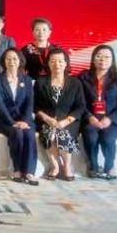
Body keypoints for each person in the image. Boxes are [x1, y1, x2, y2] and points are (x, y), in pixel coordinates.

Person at [79, 44, 117, 181]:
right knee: (91, 135)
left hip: (112, 121)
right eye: (99, 56)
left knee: (108, 138)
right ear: (93, 59)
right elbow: (80, 102)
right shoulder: (83, 77)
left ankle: (109, 167)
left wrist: (109, 119)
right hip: (90, 119)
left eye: (107, 57)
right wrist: (90, 117)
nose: (102, 60)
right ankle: (93, 166)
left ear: (112, 60)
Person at [35, 48, 85, 181]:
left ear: (65, 63)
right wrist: (47, 118)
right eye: (53, 61)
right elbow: (35, 106)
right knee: (49, 134)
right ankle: (55, 166)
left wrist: (66, 121)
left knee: (62, 133)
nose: (56, 64)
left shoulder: (75, 83)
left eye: (60, 61)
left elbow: (80, 106)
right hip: (47, 119)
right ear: (48, 63)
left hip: (69, 120)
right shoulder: (40, 82)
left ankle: (67, 166)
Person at [0, 48, 37, 185]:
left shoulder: (27, 80)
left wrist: (25, 121)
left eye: (14, 59)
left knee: (29, 134)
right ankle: (17, 169)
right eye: (8, 59)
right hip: (4, 120)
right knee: (17, 133)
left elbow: (30, 103)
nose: (11, 62)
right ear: (4, 61)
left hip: (24, 119)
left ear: (20, 61)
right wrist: (12, 122)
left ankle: (29, 172)